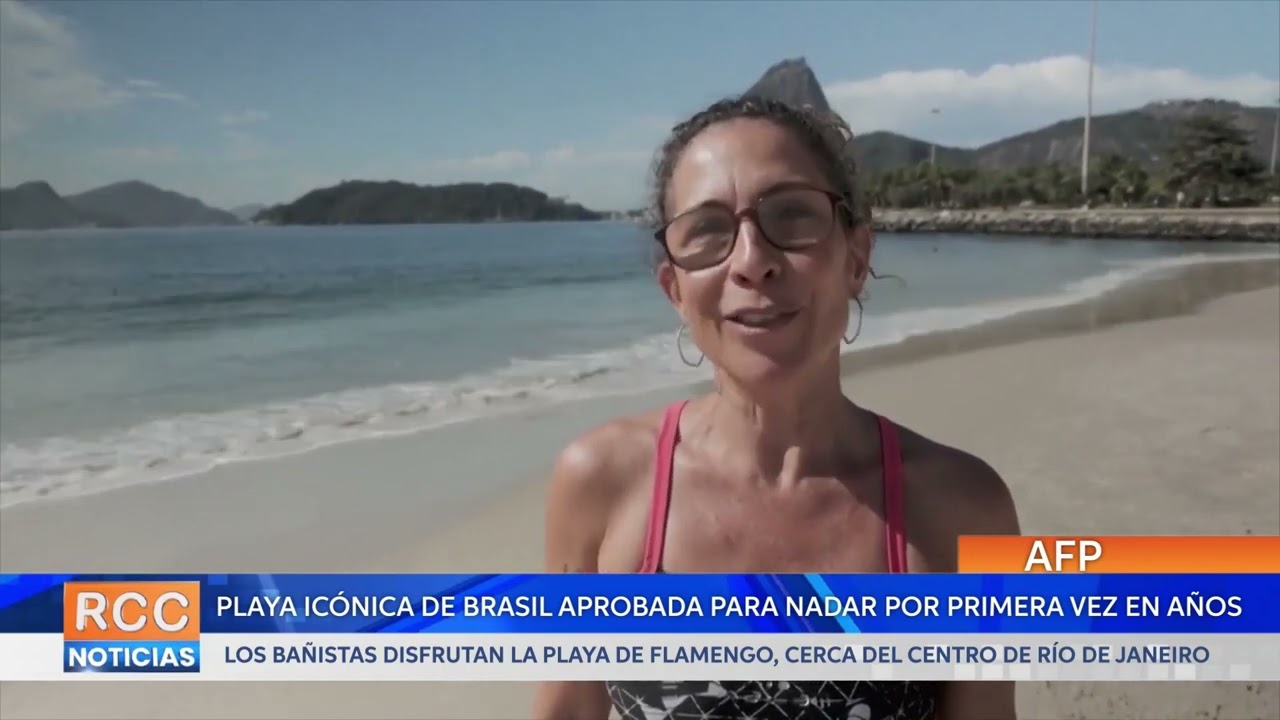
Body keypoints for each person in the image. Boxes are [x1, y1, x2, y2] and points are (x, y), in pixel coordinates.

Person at [533, 96, 1022, 720]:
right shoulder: (604, 483)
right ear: (675, 290)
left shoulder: (960, 507)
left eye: (791, 216)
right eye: (708, 231)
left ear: (857, 259)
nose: (752, 261)